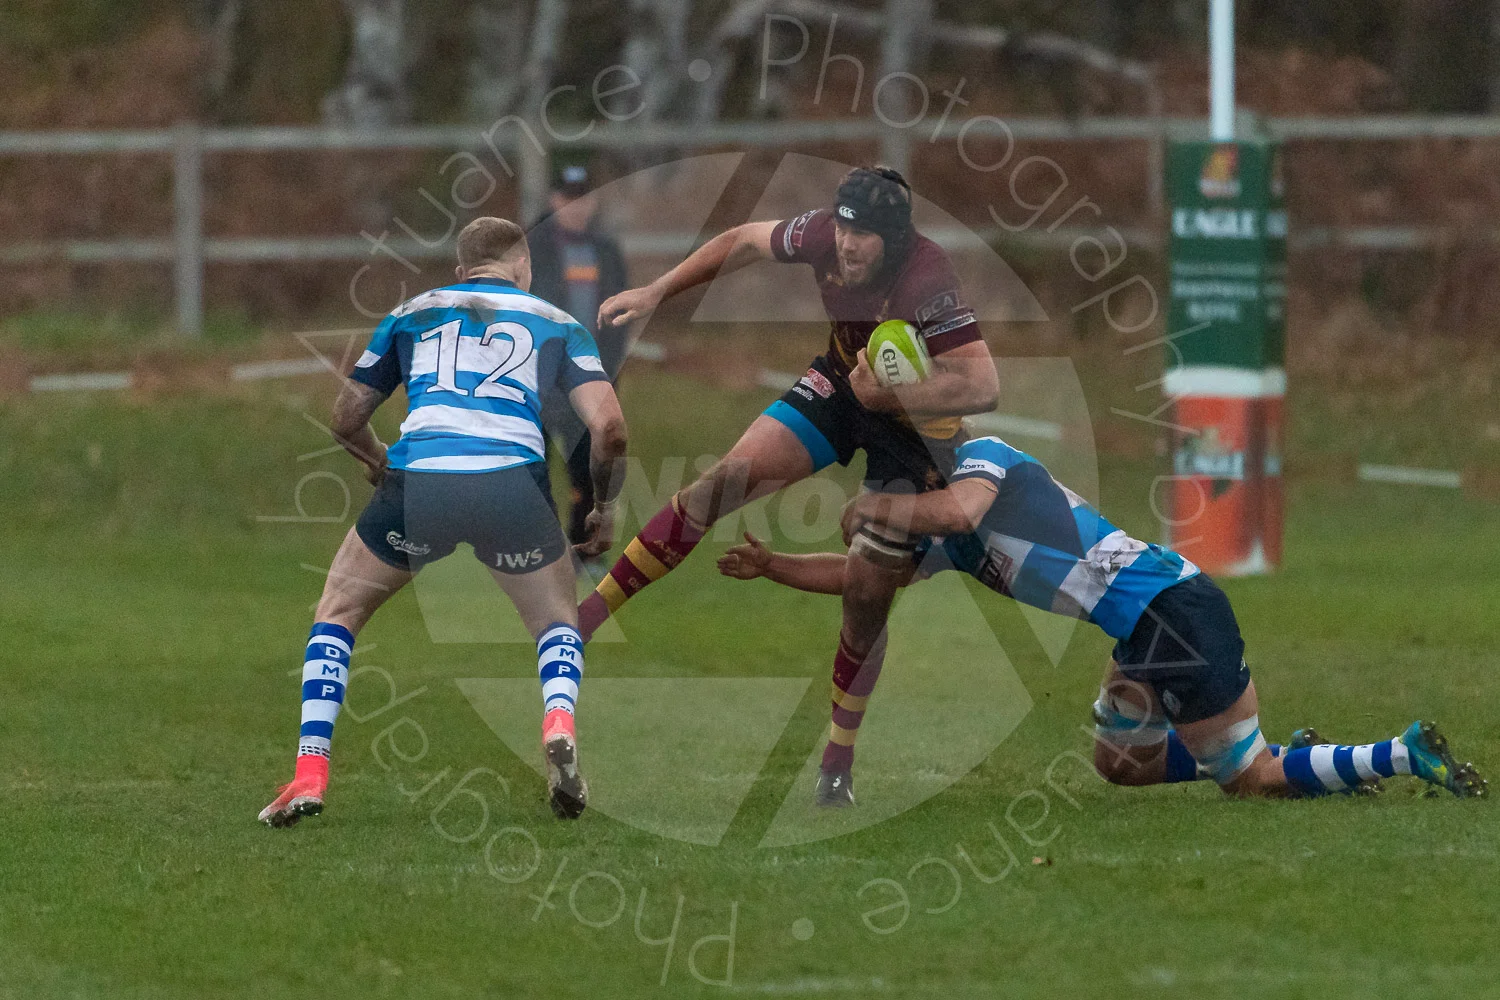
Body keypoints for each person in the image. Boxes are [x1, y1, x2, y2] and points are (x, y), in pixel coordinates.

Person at [717, 434, 1489, 804]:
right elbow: (867, 581)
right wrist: (773, 567)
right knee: (1118, 764)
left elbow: (955, 507)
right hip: (1148, 626)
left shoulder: (982, 460)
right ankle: (1296, 754)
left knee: (1246, 780)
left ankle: (1397, 754)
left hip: (1173, 612)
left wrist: (868, 506)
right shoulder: (951, 544)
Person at [579, 166, 1000, 805]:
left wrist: (892, 393)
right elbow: (746, 239)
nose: (848, 246)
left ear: (895, 237)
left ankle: (836, 761)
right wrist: (658, 290)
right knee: (717, 484)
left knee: (865, 597)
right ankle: (581, 623)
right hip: (838, 386)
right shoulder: (822, 236)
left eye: (864, 236)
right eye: (845, 229)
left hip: (914, 434)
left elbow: (983, 387)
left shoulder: (927, 277)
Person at [258, 217, 628, 827]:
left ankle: (310, 773)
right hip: (512, 485)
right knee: (556, 622)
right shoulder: (558, 323)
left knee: (338, 612)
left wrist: (380, 464)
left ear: (461, 271)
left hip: (422, 481)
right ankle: (558, 720)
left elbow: (346, 416)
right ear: (524, 267)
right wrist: (603, 505)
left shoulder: (414, 311)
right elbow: (610, 429)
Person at [528, 163, 630, 550]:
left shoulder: (606, 250)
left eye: (584, 199)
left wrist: (609, 371)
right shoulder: (530, 248)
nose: (576, 207)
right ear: (554, 200)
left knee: (588, 470)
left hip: (586, 378)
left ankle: (585, 550)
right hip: (536, 379)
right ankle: (533, 550)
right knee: (530, 467)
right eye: (568, 199)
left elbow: (620, 316)